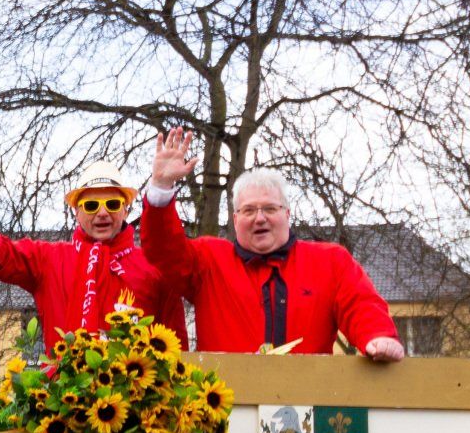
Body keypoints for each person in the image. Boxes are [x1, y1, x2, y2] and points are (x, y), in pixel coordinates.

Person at [140, 128, 403, 360]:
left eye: (269, 208)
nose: (259, 218)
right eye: (248, 210)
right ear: (235, 219)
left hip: (309, 397)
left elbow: (361, 305)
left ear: (287, 214)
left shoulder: (330, 261)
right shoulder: (209, 260)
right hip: (227, 397)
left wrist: (377, 336)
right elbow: (163, 249)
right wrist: (161, 187)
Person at [0, 146, 188, 348]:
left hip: (137, 399)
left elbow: (176, 345)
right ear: (76, 211)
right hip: (64, 397)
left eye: (112, 204)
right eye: (91, 205)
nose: (102, 213)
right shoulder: (48, 260)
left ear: (126, 209)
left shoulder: (154, 268)